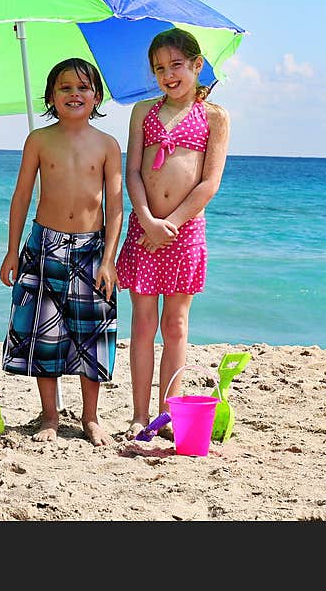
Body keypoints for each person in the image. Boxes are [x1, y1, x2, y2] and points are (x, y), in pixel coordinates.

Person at [0, 58, 123, 446]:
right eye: (65, 88)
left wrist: (108, 259)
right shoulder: (39, 140)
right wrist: (12, 250)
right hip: (44, 244)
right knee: (43, 331)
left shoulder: (107, 144)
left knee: (92, 333)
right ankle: (49, 415)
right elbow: (21, 196)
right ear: (51, 97)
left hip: (92, 248)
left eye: (83, 88)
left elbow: (116, 206)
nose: (74, 94)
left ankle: (90, 417)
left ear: (97, 96)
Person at [115, 28, 230, 440]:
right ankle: (139, 413)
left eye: (177, 65)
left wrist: (172, 224)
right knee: (142, 324)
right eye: (160, 68)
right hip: (145, 229)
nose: (169, 74)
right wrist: (146, 218)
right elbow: (133, 171)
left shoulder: (214, 116)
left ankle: (170, 410)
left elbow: (208, 183)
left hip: (184, 232)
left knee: (176, 324)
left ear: (197, 66)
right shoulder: (143, 112)